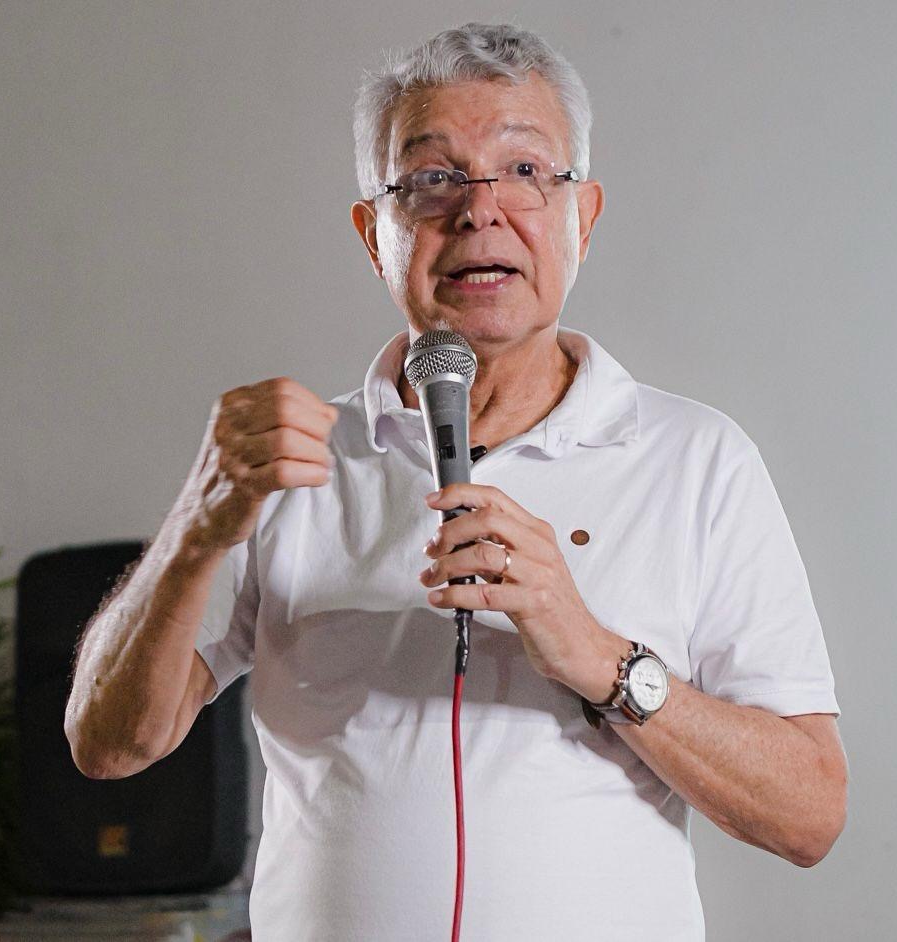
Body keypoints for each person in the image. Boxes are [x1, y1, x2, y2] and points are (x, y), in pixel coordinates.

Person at [64, 22, 847, 941]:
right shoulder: (291, 458)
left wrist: (594, 652)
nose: (481, 210)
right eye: (432, 178)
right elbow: (109, 744)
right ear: (374, 233)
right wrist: (197, 527)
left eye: (524, 172)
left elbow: (808, 815)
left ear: (582, 219)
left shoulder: (697, 457)